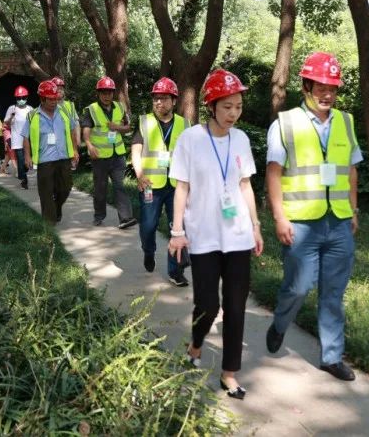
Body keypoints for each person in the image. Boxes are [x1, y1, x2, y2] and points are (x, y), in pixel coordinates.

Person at [264, 52, 363, 382]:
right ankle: (280, 324)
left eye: (332, 89)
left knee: (333, 293)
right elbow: (274, 172)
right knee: (298, 287)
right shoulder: (285, 123)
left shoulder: (345, 122)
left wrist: (353, 209)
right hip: (301, 223)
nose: (327, 94)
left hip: (338, 223)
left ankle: (332, 357)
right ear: (306, 87)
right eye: (321, 87)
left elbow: (350, 169)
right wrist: (279, 217)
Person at [168, 69, 263, 400]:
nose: (234, 113)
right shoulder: (191, 139)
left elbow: (245, 184)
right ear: (211, 106)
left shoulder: (241, 140)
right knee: (207, 304)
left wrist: (255, 225)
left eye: (238, 106)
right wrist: (177, 230)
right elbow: (182, 187)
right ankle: (196, 344)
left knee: (236, 306)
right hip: (203, 236)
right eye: (227, 107)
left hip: (237, 235)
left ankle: (229, 373)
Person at [131, 77, 189, 284]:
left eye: (163, 98)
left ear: (174, 101)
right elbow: (136, 150)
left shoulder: (184, 124)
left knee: (178, 228)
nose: (158, 102)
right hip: (150, 185)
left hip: (176, 186)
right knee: (148, 227)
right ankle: (149, 251)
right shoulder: (144, 122)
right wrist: (139, 175)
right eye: (156, 98)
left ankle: (176, 271)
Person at [80, 76, 136, 228]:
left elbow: (128, 127)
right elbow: (86, 129)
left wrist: (117, 127)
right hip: (99, 156)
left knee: (120, 186)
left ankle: (125, 218)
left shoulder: (120, 107)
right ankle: (99, 215)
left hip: (117, 155)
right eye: (103, 92)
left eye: (109, 92)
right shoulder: (91, 109)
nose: (107, 96)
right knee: (100, 188)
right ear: (98, 93)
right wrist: (89, 145)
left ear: (113, 93)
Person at [28, 80, 80, 222]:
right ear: (42, 99)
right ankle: (48, 224)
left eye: (55, 99)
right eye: (50, 99)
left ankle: (56, 208)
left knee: (65, 188)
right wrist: (27, 156)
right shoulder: (33, 115)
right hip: (44, 160)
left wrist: (75, 150)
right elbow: (25, 137)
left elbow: (72, 131)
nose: (54, 102)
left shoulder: (64, 112)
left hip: (63, 157)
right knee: (46, 192)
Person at [4, 85, 33, 189]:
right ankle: (24, 180)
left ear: (27, 97)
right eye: (19, 98)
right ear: (16, 98)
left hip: (28, 140)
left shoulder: (30, 109)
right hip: (17, 140)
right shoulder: (12, 108)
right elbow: (6, 123)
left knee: (27, 162)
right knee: (20, 160)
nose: (21, 100)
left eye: (23, 97)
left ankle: (24, 173)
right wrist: (11, 117)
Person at [53, 76, 81, 159]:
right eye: (56, 88)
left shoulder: (70, 105)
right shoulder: (48, 106)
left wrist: (78, 138)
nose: (59, 90)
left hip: (70, 144)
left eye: (61, 88)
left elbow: (76, 123)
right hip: (53, 147)